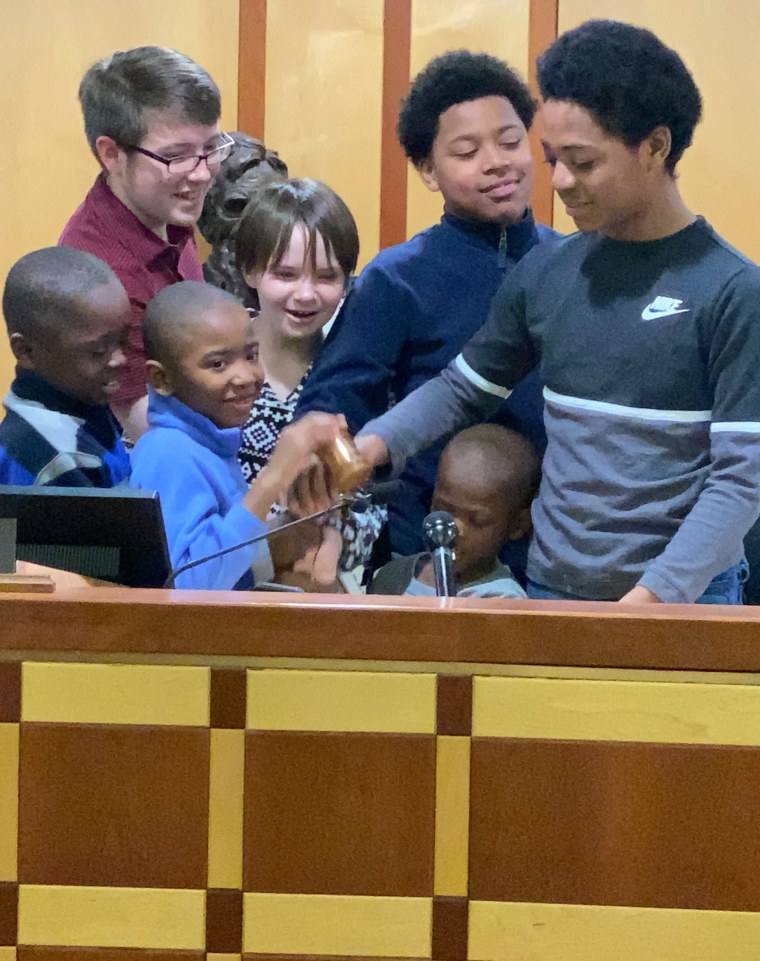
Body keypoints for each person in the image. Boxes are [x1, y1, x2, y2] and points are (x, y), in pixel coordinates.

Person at [355, 19, 760, 605]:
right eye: (552, 160)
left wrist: (652, 600)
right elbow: (463, 390)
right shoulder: (547, 271)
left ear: (655, 146)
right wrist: (372, 445)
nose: (561, 183)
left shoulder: (732, 290)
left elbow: (742, 479)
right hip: (553, 588)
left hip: (681, 604)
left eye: (584, 162)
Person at [295, 49, 557, 565]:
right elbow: (331, 409)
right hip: (431, 553)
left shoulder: (570, 263)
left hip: (556, 551)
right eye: (466, 151)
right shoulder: (396, 278)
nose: (497, 162)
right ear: (427, 170)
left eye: (510, 141)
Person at [59, 45, 232, 442]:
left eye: (210, 148)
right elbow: (146, 426)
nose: (203, 173)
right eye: (177, 157)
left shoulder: (164, 208)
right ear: (111, 154)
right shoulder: (104, 278)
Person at [129, 281, 346, 590]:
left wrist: (291, 531)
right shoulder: (169, 452)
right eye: (218, 364)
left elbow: (228, 560)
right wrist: (273, 478)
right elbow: (187, 585)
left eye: (251, 355)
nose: (246, 377)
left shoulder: (211, 441)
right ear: (162, 379)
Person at [235, 176, 385, 567]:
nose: (305, 294)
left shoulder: (360, 374)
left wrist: (329, 537)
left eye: (326, 276)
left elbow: (375, 509)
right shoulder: (211, 365)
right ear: (250, 271)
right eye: (285, 275)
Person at [0, 247, 131, 487]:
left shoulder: (81, 402)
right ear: (26, 350)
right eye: (98, 351)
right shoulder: (56, 460)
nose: (119, 359)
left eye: (124, 341)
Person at [369, 425, 538, 598]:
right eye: (443, 510)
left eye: (476, 520)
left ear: (517, 525)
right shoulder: (393, 575)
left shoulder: (502, 601)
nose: (454, 529)